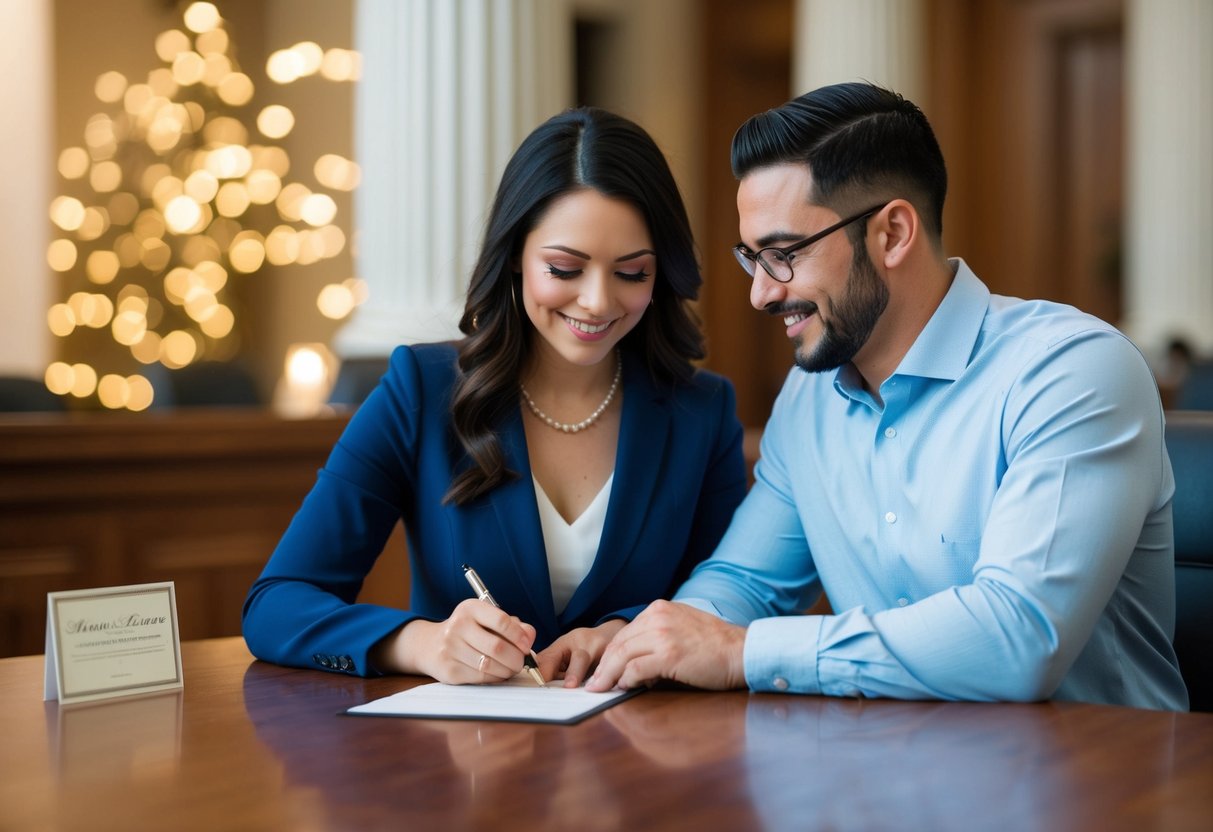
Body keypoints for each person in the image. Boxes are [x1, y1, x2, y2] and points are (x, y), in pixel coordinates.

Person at [586, 82, 1189, 710]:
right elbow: (744, 582)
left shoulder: (1072, 372)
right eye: (752, 258)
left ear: (892, 234)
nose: (760, 294)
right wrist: (648, 641)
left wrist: (743, 653)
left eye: (783, 254)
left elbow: (1019, 639)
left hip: (1107, 790)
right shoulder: (808, 398)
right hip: (890, 779)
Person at [243, 107, 748, 686]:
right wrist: (422, 643)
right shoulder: (420, 389)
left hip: (640, 754)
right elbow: (275, 605)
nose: (597, 301)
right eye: (564, 268)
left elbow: (730, 596)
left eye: (632, 273)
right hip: (467, 761)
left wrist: (621, 633)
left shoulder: (701, 412)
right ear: (515, 255)